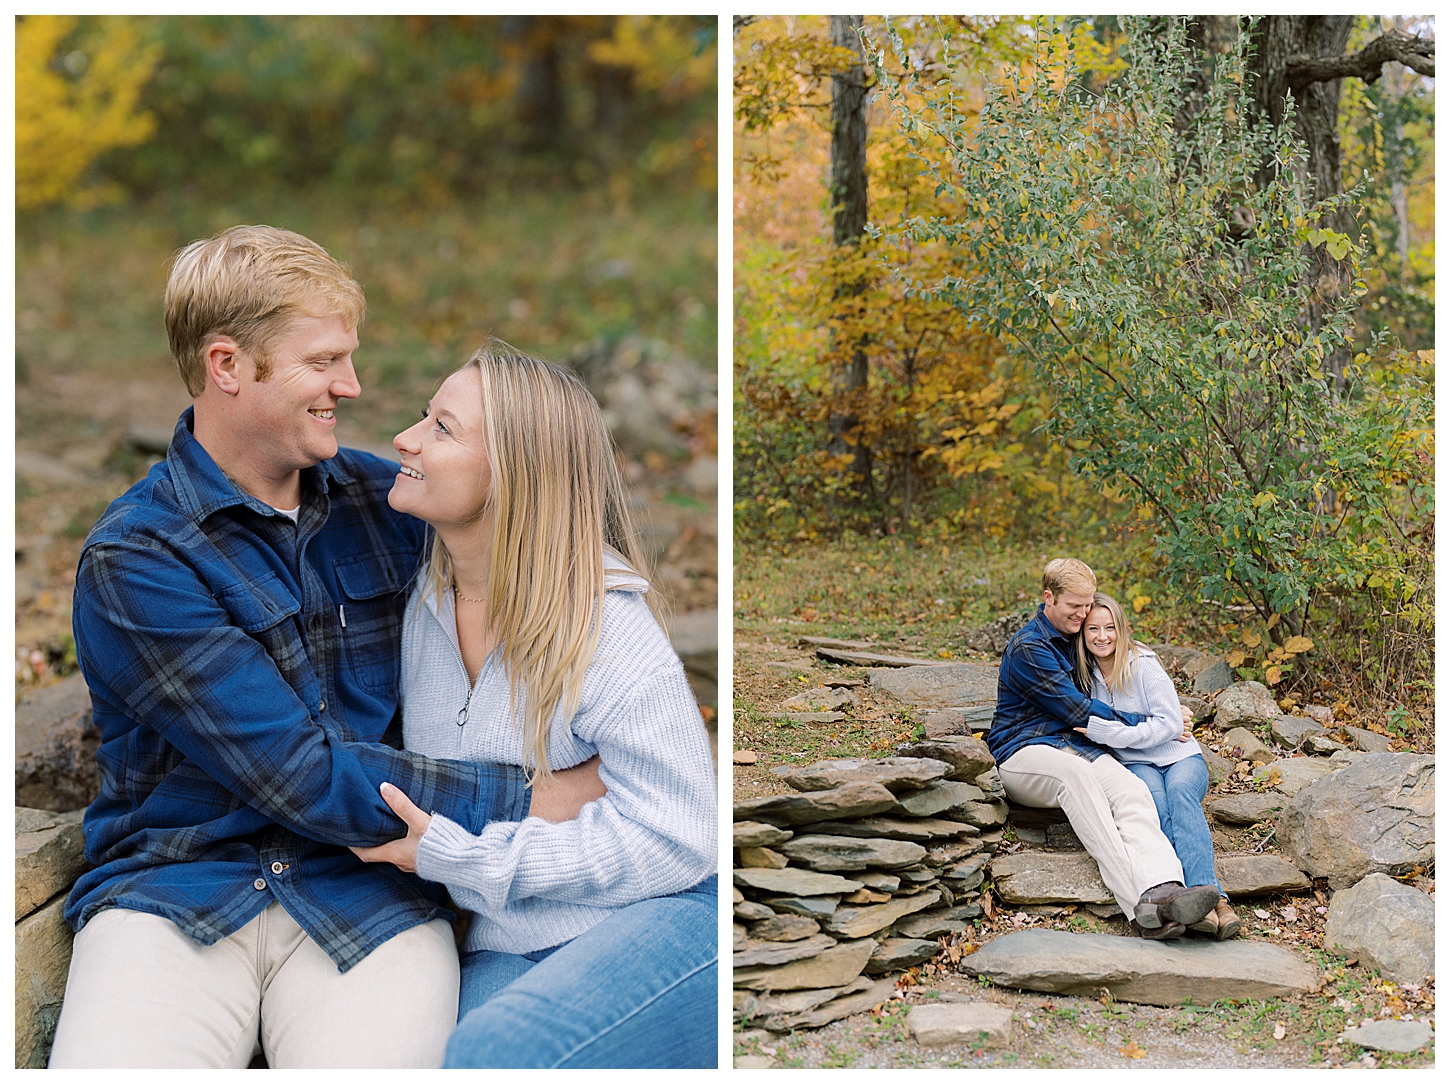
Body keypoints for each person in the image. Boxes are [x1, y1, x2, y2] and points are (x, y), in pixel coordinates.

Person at [50, 226, 604, 1069]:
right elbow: (300, 774)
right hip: (175, 896)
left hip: (371, 897)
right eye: (323, 363)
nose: (351, 384)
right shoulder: (140, 556)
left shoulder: (391, 505)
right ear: (228, 366)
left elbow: (556, 564)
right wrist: (535, 797)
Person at [349, 343, 718, 1069]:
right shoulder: (418, 609)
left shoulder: (603, 625)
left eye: (443, 428)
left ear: (514, 473)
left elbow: (681, 836)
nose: (406, 437)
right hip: (503, 943)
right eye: (425, 415)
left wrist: (465, 857)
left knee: (495, 1055)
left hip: (653, 919)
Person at [988, 558, 1220, 939]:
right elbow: (1076, 709)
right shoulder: (1030, 648)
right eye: (1074, 606)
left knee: (1132, 791)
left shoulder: (1076, 639)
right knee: (1077, 777)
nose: (1083, 614)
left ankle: (1169, 890)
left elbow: (1121, 657)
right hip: (1023, 753)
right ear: (1048, 598)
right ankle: (1141, 906)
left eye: (1088, 604)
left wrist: (1164, 715)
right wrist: (1153, 722)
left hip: (1077, 747)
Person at [1070, 593, 1242, 939]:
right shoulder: (1082, 677)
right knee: (1155, 805)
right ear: (1082, 634)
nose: (1102, 636)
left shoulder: (1143, 664)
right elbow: (1158, 726)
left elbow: (1171, 726)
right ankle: (1185, 900)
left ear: (1121, 630)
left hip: (1180, 758)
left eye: (1109, 628)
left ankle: (1214, 900)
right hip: (1137, 764)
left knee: (1180, 794)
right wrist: (1143, 729)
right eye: (1093, 629)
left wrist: (1112, 732)